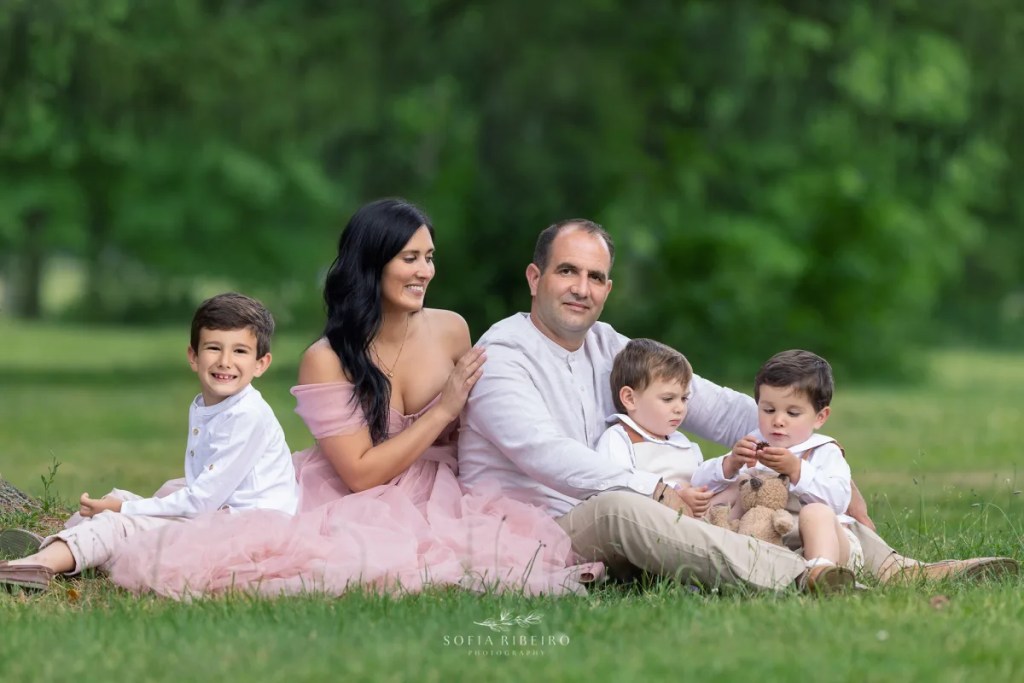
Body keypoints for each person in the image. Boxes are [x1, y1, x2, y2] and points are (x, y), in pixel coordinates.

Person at [458, 218, 1018, 591]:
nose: (582, 288)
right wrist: (656, 490)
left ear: (608, 287)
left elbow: (715, 406)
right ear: (535, 277)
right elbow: (545, 455)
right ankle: (800, 576)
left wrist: (805, 447)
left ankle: (898, 569)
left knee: (763, 481)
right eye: (567, 271)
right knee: (622, 508)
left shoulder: (609, 345)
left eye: (595, 277)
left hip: (627, 505)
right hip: (539, 526)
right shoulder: (502, 354)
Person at [104, 198, 597, 598]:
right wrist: (444, 408)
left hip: (446, 489)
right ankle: (110, 527)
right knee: (282, 549)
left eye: (429, 257)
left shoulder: (452, 329)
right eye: (409, 258)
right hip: (352, 494)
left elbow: (471, 432)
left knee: (495, 553)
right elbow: (360, 475)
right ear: (372, 263)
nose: (424, 271)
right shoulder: (327, 357)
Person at [0, 293, 299, 592]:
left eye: (240, 351)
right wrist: (123, 505)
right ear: (193, 356)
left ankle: (39, 566)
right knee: (117, 500)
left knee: (119, 521)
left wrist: (124, 509)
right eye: (213, 348)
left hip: (240, 536)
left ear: (261, 364)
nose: (225, 361)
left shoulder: (247, 415)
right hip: (219, 515)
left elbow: (202, 501)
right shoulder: (212, 404)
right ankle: (59, 550)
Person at [692, 349, 861, 590]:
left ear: (820, 417)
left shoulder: (824, 451)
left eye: (792, 413)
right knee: (731, 491)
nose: (778, 421)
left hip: (828, 543)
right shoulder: (754, 442)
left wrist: (797, 471)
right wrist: (730, 463)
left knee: (816, 512)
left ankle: (820, 575)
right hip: (772, 539)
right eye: (768, 410)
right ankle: (706, 562)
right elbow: (699, 481)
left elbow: (838, 501)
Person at [596, 338, 715, 517]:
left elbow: (702, 481)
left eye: (684, 398)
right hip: (652, 523)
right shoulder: (619, 439)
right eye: (668, 399)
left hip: (696, 520)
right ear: (630, 398)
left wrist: (729, 465)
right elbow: (619, 490)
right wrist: (676, 497)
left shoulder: (681, 441)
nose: (680, 408)